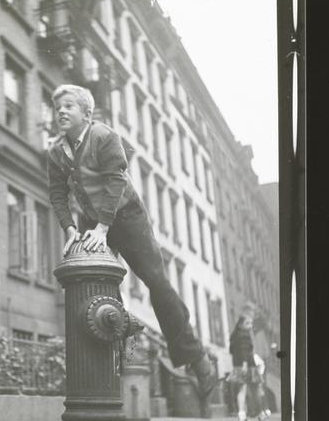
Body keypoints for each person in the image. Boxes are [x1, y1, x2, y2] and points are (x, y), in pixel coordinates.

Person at [46, 84, 217, 398]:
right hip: (90, 220)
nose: (61, 112)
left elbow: (115, 180)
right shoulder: (57, 152)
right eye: (58, 108)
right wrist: (70, 229)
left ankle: (197, 359)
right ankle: (121, 337)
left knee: (156, 281)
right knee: (96, 281)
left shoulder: (103, 136)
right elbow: (57, 193)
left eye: (69, 106)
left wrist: (102, 228)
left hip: (126, 216)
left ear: (87, 113)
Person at [227, 305, 269, 421]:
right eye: (247, 323)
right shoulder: (245, 335)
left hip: (237, 365)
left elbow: (232, 351)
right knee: (255, 390)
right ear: (241, 324)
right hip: (248, 366)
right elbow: (245, 350)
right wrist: (245, 363)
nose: (250, 326)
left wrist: (239, 362)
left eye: (251, 323)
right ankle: (260, 414)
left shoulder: (234, 336)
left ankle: (241, 415)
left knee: (242, 390)